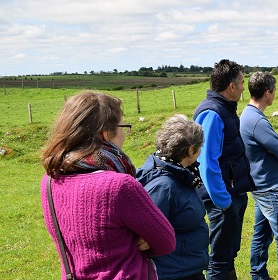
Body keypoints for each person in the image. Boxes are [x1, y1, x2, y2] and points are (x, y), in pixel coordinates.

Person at [40, 91, 175, 279]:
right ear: (105, 134)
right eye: (122, 126)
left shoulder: (49, 182)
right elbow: (166, 241)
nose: (124, 134)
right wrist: (139, 237)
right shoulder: (120, 186)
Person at [193, 59, 256, 279]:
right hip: (222, 198)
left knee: (228, 254)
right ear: (231, 86)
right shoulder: (212, 113)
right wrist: (224, 202)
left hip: (232, 193)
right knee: (219, 259)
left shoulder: (225, 109)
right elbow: (206, 163)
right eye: (241, 83)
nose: (242, 88)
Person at [240, 72, 278, 280]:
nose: (274, 94)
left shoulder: (248, 115)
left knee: (262, 234)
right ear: (267, 93)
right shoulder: (257, 121)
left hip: (260, 185)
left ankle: (258, 274)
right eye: (273, 90)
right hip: (271, 188)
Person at [137, 114, 208, 280]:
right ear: (191, 150)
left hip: (185, 268)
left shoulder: (180, 174)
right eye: (200, 146)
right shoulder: (164, 186)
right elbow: (143, 236)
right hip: (174, 273)